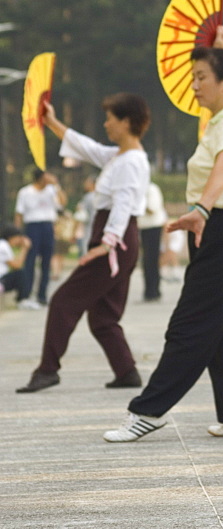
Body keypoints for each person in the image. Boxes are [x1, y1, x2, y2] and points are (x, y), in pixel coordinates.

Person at [102, 37, 223, 442]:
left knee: (190, 324)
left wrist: (203, 208)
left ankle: (149, 409)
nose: (194, 85)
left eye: (201, 78)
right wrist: (217, 46)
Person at [16, 94, 151, 393]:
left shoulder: (130, 161)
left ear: (126, 122)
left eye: (110, 119)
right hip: (118, 238)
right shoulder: (120, 156)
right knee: (103, 317)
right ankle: (127, 371)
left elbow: (123, 204)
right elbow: (86, 147)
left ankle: (48, 369)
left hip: (114, 240)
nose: (106, 124)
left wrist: (106, 244)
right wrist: (51, 121)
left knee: (64, 301)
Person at [14, 169, 67, 309]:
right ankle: (26, 295)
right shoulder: (25, 192)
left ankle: (42, 296)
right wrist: (19, 234)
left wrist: (57, 185)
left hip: (47, 226)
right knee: (30, 261)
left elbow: (62, 202)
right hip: (32, 226)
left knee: (46, 261)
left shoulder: (51, 190)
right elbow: (19, 213)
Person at [138, 182, 167, 302]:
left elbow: (152, 209)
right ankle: (148, 290)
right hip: (143, 228)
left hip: (153, 227)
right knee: (146, 261)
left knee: (152, 260)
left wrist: (137, 202)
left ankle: (154, 291)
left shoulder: (151, 189)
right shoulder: (140, 188)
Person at [0, 227, 30, 303]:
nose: (19, 241)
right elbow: (17, 265)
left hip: (3, 277)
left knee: (20, 273)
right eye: (18, 238)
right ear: (11, 237)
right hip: (1, 279)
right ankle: (22, 300)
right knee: (21, 273)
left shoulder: (4, 245)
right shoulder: (3, 246)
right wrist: (24, 248)